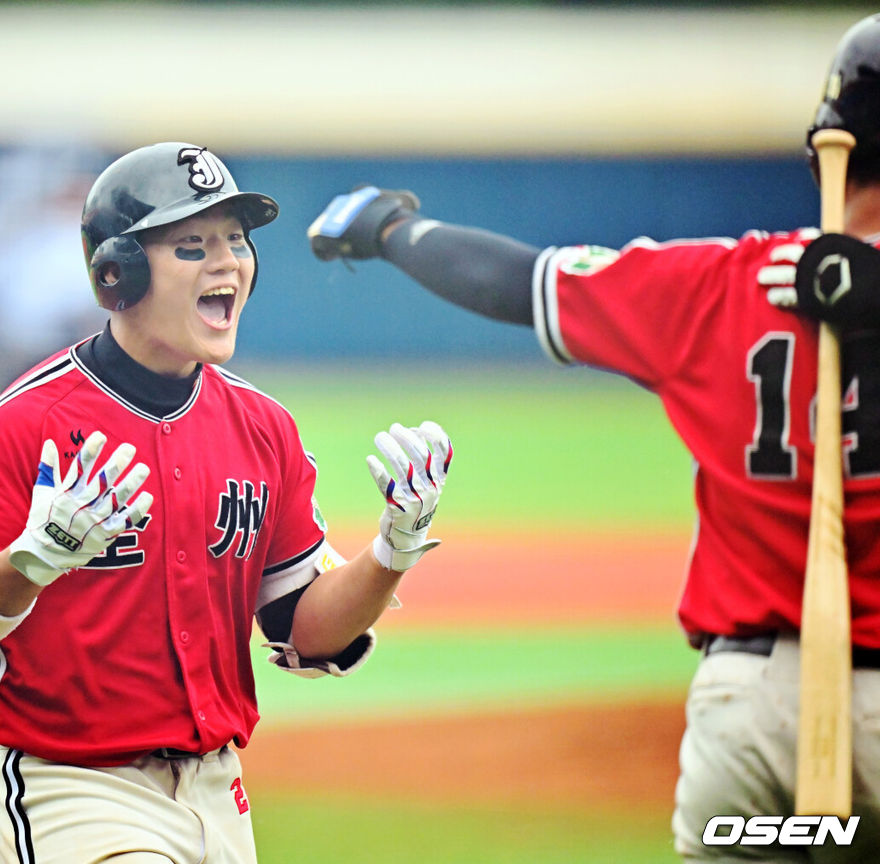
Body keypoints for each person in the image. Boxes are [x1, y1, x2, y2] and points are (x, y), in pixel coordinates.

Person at [306, 14, 880, 863]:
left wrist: (391, 231)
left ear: (822, 149)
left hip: (745, 716)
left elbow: (519, 282)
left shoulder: (719, 284)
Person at [0, 141, 453, 864]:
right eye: (193, 246)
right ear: (119, 272)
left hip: (219, 794)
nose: (227, 262)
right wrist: (26, 563)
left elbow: (301, 626)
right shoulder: (24, 423)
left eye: (236, 241)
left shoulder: (265, 430)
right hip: (72, 788)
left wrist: (392, 551)